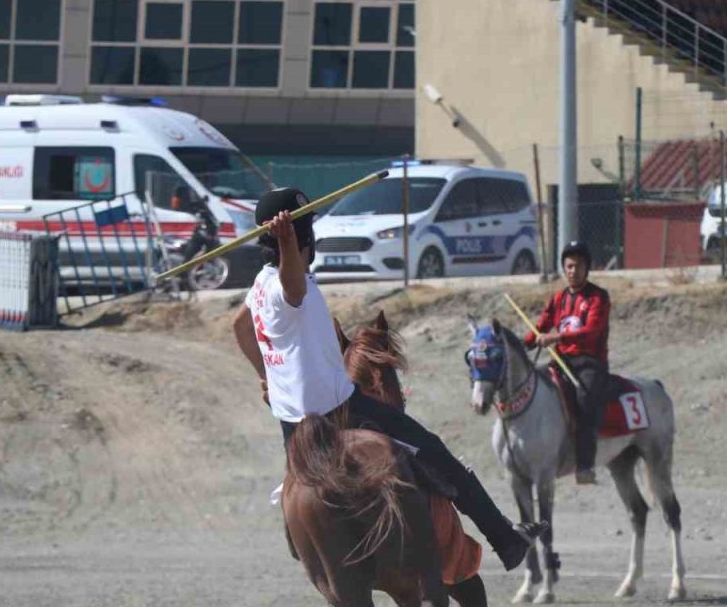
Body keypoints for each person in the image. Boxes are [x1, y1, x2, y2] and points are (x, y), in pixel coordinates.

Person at [232, 187, 545, 575]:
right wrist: (288, 242)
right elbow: (292, 289)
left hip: (292, 424)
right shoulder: (284, 285)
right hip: (340, 411)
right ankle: (506, 540)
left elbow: (240, 325)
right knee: (435, 452)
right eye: (306, 231)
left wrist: (266, 378)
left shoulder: (261, 283)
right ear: (299, 238)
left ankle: (326, 580)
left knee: (296, 501)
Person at [523, 241, 612, 485]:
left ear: (587, 268)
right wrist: (523, 345)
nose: (573, 271)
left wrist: (556, 337)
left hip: (589, 362)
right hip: (560, 361)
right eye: (569, 266)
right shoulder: (559, 298)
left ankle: (585, 465)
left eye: (578, 266)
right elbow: (541, 325)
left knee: (584, 400)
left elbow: (591, 331)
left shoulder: (598, 298)